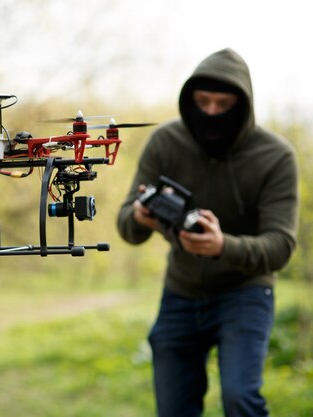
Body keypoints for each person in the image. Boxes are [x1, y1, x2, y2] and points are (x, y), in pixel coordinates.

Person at [117, 48, 299, 417]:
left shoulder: (276, 156)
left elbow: (281, 246)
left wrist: (222, 246)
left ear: (243, 104)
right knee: (173, 407)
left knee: (240, 397)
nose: (212, 112)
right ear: (189, 100)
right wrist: (141, 218)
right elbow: (125, 225)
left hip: (245, 290)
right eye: (202, 102)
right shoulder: (166, 142)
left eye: (223, 103)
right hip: (181, 290)